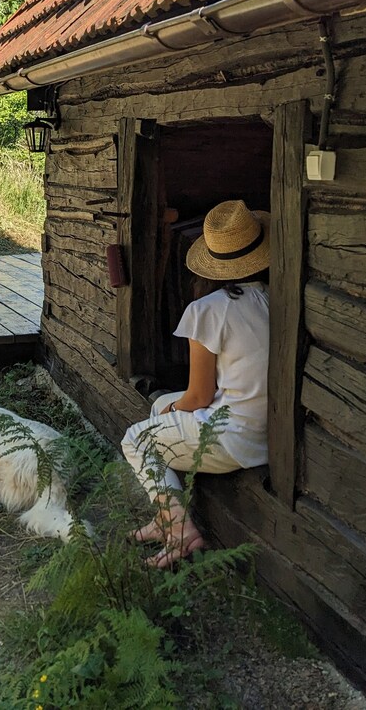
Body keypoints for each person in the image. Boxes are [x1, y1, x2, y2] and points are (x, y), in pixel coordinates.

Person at [121, 199, 271, 569]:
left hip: (236, 437)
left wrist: (173, 408)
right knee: (157, 408)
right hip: (268, 429)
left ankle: (181, 534)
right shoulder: (271, 299)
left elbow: (199, 395)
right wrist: (167, 408)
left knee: (136, 440)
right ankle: (164, 518)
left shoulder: (208, 310)